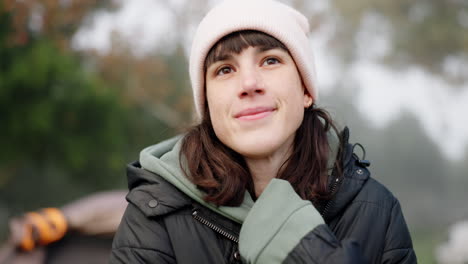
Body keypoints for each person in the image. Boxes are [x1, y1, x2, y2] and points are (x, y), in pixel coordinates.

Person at [110, 0, 417, 263]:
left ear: (305, 90)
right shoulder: (155, 212)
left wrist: (304, 251)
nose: (248, 84)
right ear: (207, 103)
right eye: (225, 70)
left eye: (270, 60)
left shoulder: (377, 212)